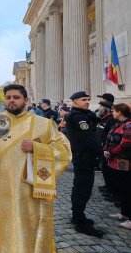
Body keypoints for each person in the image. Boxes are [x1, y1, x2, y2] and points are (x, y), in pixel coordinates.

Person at [0, 84, 72, 252]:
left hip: (26, 191)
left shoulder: (43, 124)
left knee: (25, 226)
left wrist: (36, 148)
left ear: (26, 100)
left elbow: (65, 151)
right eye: (8, 97)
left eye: (16, 97)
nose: (12, 101)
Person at [64, 91, 104, 237]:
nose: (87, 102)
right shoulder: (78, 117)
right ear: (74, 102)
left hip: (85, 157)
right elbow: (89, 138)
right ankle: (80, 221)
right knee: (83, 189)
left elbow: (95, 119)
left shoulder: (84, 114)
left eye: (88, 99)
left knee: (81, 187)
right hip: (83, 157)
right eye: (83, 100)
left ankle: (77, 215)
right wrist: (102, 153)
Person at [104, 103, 131, 230]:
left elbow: (126, 144)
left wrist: (112, 152)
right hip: (117, 160)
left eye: (114, 111)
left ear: (119, 112)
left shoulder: (128, 124)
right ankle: (124, 214)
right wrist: (106, 149)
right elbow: (109, 138)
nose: (112, 113)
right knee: (123, 188)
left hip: (125, 161)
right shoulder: (118, 123)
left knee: (127, 189)